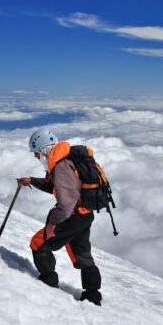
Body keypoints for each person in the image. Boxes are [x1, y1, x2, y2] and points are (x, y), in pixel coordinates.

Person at [17, 129, 102, 305]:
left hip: (72, 216)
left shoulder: (61, 166)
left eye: (37, 152)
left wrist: (52, 225)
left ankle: (48, 283)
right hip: (84, 215)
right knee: (82, 255)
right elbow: (55, 186)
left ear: (44, 149)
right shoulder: (65, 159)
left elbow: (66, 203)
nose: (36, 157)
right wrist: (32, 180)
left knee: (38, 243)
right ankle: (93, 295)